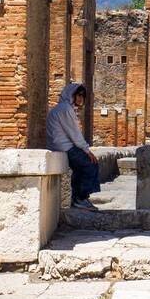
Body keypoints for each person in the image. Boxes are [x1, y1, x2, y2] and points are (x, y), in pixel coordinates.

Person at [45, 82, 101, 210]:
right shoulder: (65, 109)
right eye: (78, 95)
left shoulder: (63, 108)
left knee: (79, 169)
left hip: (60, 146)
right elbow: (74, 134)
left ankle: (77, 199)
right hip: (64, 147)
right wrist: (87, 151)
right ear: (72, 95)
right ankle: (81, 198)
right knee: (90, 164)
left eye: (83, 96)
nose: (81, 98)